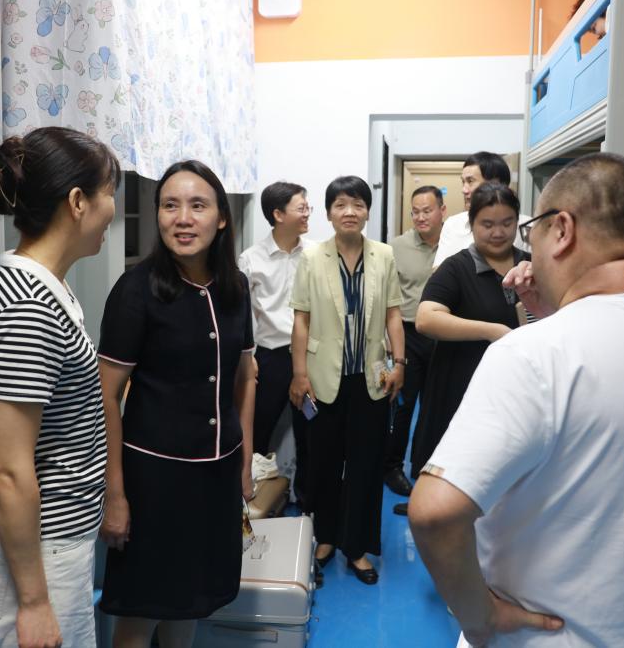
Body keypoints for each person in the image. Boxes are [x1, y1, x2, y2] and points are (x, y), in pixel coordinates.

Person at [409, 153, 624, 647]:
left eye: (530, 228)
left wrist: (481, 616)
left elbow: (435, 513)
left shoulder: (532, 353)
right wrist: (555, 313)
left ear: (562, 230)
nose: (526, 246)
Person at [0, 126, 120, 648]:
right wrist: (33, 602)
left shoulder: (44, 287)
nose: (113, 208)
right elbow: (8, 469)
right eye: (109, 192)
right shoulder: (28, 307)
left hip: (52, 547)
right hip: (37, 562)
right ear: (77, 202)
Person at [97, 160, 256, 648]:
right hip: (154, 481)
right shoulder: (136, 290)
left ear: (221, 218)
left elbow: (244, 377)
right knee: (143, 610)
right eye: (170, 206)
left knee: (193, 600)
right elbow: (106, 396)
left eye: (197, 206)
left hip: (217, 474)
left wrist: (246, 459)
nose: (182, 219)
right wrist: (115, 494)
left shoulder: (235, 288)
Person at [289, 175, 404, 585]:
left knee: (366, 465)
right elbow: (301, 320)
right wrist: (299, 373)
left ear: (367, 211)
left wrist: (400, 363)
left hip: (369, 378)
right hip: (322, 377)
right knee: (322, 463)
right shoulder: (311, 258)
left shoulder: (383, 256)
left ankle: (356, 547)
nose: (349, 212)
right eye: (340, 205)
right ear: (329, 213)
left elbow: (393, 313)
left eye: (357, 204)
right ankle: (325, 538)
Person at [409, 183, 530, 484]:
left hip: (517, 391)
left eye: (507, 223)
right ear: (471, 224)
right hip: (460, 387)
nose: (498, 232)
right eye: (487, 224)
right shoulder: (457, 268)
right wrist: (492, 331)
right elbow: (426, 319)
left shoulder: (530, 265)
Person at [238, 181, 314, 510]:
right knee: (258, 428)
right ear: (278, 214)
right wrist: (248, 356)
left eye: (308, 207)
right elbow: (241, 313)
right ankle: (251, 499)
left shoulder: (315, 254)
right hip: (269, 358)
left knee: (309, 430)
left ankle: (307, 500)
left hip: (308, 357)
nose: (307, 213)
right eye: (301, 207)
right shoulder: (250, 259)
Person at [384, 185, 446, 502]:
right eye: (415, 212)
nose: (420, 217)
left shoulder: (455, 243)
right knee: (404, 404)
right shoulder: (396, 247)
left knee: (436, 404)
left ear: (442, 211)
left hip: (444, 335)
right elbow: (387, 299)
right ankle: (392, 467)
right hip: (407, 334)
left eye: (427, 210)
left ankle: (426, 466)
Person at [433, 152, 529, 269]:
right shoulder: (452, 225)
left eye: (470, 181)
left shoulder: (526, 227)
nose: (464, 190)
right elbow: (438, 270)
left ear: (495, 183)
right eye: (463, 182)